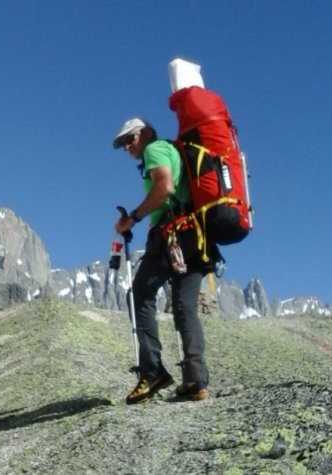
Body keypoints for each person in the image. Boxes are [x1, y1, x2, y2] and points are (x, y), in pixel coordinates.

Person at [112, 117, 210, 404]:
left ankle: (152, 371)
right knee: (184, 307)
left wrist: (133, 218)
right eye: (123, 143)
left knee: (140, 295)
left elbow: (165, 187)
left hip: (171, 235)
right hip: (197, 236)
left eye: (131, 138)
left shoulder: (155, 149)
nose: (127, 146)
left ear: (147, 134)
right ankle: (195, 380)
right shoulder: (174, 150)